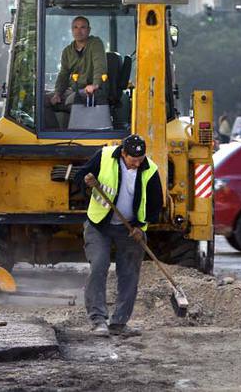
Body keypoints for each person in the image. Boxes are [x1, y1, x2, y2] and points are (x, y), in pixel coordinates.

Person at [76, 134, 163, 337]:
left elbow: (155, 203)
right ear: (123, 153)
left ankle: (119, 323)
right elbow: (80, 177)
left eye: (140, 160)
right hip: (99, 224)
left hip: (130, 230)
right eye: (133, 159)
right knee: (98, 265)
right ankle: (98, 319)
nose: (136, 164)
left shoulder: (150, 169)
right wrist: (87, 184)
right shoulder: (104, 156)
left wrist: (141, 227)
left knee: (129, 274)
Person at [45, 16, 108, 129]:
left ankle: (76, 135)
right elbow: (63, 74)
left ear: (88, 30)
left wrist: (95, 84)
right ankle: (55, 132)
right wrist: (57, 93)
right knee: (43, 100)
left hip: (91, 91)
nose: (79, 31)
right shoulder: (67, 51)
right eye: (75, 27)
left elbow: (100, 66)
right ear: (72, 30)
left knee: (74, 99)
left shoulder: (95, 44)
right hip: (73, 90)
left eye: (83, 27)